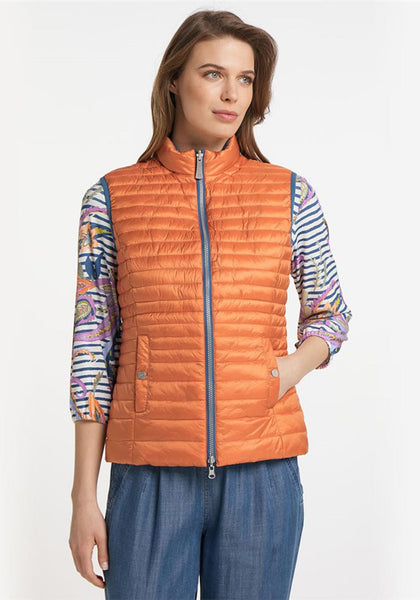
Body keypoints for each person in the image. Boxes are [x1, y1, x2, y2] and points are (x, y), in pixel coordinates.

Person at [68, 9, 352, 600]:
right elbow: (93, 351)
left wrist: (281, 374)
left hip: (262, 473)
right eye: (213, 74)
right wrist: (82, 497)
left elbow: (330, 314)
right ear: (174, 80)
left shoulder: (289, 194)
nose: (231, 95)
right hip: (149, 473)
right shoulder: (111, 198)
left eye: (245, 79)